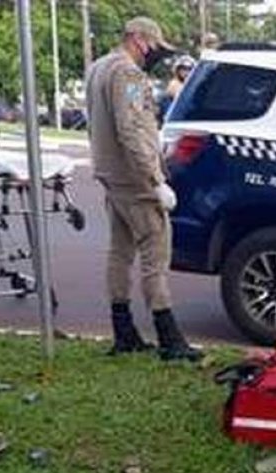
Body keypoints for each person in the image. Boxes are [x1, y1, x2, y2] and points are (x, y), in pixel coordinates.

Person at [85, 17, 199, 361]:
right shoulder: (129, 74)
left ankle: (124, 331)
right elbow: (131, 129)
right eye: (154, 46)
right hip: (135, 178)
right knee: (155, 252)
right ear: (138, 40)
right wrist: (155, 179)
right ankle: (169, 338)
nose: (155, 55)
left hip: (110, 173)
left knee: (119, 251)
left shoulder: (98, 68)